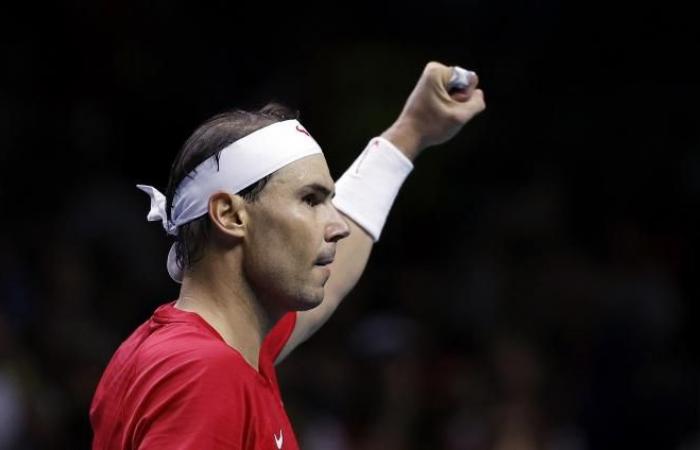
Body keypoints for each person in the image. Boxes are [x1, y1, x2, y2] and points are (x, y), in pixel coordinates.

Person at [90, 61, 486, 449]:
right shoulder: (203, 372)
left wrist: (411, 132)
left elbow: (328, 291)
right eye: (311, 199)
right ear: (229, 215)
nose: (337, 226)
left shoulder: (192, 350)